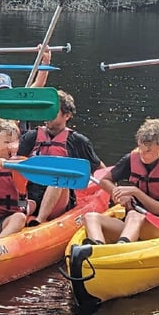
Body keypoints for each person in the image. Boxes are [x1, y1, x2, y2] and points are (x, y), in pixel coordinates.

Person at [81, 118, 159, 244]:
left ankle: (121, 246)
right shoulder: (131, 159)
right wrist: (118, 194)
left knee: (134, 215)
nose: (142, 154)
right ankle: (97, 248)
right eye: (140, 148)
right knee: (90, 217)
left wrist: (136, 192)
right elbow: (105, 181)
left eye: (148, 151)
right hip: (133, 223)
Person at [23, 89, 102, 223]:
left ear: (67, 115)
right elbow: (16, 163)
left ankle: (40, 220)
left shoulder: (78, 141)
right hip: (30, 196)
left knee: (59, 174)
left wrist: (111, 190)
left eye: (53, 112)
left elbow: (99, 170)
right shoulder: (31, 137)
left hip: (59, 201)